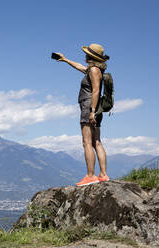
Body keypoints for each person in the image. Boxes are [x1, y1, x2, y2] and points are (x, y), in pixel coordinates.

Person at [55, 43, 110, 186]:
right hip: (96, 107)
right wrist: (65, 60)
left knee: (87, 142)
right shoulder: (95, 70)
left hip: (89, 107)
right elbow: (80, 66)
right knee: (96, 141)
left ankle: (91, 176)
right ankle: (103, 174)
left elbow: (96, 90)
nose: (85, 56)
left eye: (87, 54)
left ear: (91, 56)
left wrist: (91, 111)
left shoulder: (93, 70)